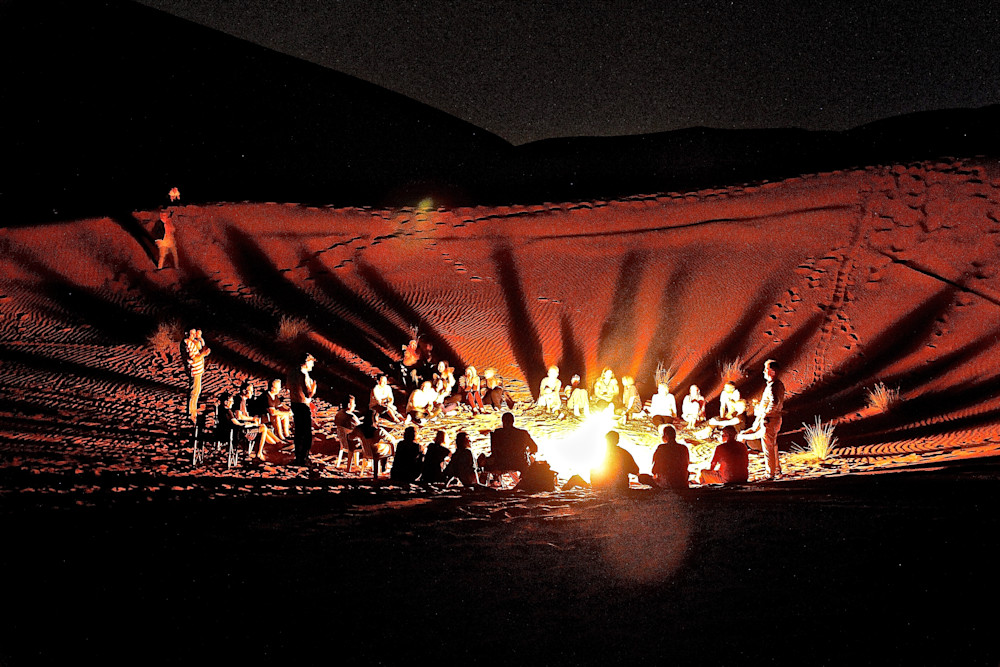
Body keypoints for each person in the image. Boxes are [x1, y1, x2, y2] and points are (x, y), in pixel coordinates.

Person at [737, 359, 785, 480]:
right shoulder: (774, 385)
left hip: (769, 419)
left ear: (772, 372)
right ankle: (776, 470)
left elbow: (774, 403)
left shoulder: (774, 386)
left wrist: (763, 413)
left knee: (768, 447)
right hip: (770, 419)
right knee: (772, 445)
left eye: (766, 369)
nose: (764, 372)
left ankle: (770, 473)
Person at [478, 412, 538, 481]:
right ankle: (526, 480)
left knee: (484, 463)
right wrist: (528, 453)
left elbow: (494, 451)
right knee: (530, 460)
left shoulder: (497, 433)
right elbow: (534, 448)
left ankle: (488, 484)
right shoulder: (523, 433)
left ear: (502, 421)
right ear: (513, 421)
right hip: (519, 463)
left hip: (500, 463)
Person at [288, 352, 318, 467]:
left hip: (294, 404)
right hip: (302, 405)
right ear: (306, 362)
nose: (312, 365)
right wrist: (314, 388)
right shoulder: (303, 374)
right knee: (306, 434)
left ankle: (298, 457)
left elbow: (288, 386)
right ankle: (304, 458)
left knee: (298, 432)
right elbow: (308, 394)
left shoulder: (292, 372)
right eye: (311, 363)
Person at [639, 425, 690, 490]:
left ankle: (661, 486)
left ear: (665, 435)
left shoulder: (661, 448)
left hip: (666, 483)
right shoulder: (684, 448)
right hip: (682, 483)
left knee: (642, 477)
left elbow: (654, 470)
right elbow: (686, 465)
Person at [350, 409, 396, 476]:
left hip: (366, 451)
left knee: (383, 446)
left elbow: (351, 437)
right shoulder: (379, 430)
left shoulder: (359, 429)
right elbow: (391, 439)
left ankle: (382, 466)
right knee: (387, 446)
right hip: (376, 453)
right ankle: (384, 466)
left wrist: (360, 439)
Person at [180, 328, 211, 423]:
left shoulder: (192, 341)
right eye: (191, 334)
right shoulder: (187, 343)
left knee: (196, 391)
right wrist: (203, 354)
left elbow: (201, 346)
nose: (193, 336)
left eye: (194, 333)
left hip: (198, 370)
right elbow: (194, 358)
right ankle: (191, 413)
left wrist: (200, 338)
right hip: (194, 370)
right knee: (194, 391)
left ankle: (193, 411)